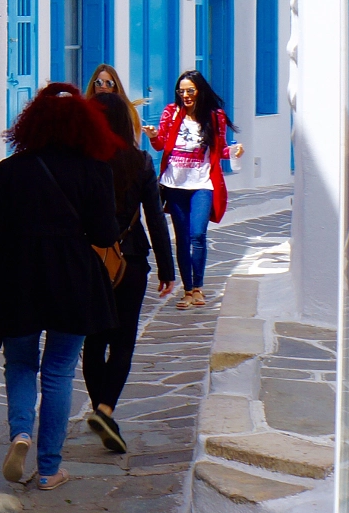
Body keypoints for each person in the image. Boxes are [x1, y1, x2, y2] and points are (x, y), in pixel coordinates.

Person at [0, 83, 122, 490]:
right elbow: (105, 231)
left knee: (20, 363)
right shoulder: (95, 170)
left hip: (16, 277)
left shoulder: (7, 172)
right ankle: (49, 467)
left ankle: (20, 432)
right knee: (58, 371)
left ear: (30, 124)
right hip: (72, 278)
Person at [80, 91, 176, 454]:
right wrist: (168, 269)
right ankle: (106, 409)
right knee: (123, 340)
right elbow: (154, 217)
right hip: (131, 259)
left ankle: (98, 408)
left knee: (93, 340)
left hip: (90, 261)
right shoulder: (140, 161)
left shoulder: (82, 160)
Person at [147, 71, 243, 307]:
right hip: (175, 183)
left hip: (202, 182)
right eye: (182, 91)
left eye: (190, 90)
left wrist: (233, 152)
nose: (186, 95)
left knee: (197, 234)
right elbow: (161, 145)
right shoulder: (172, 112)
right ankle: (187, 290)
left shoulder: (215, 116)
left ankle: (198, 287)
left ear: (199, 90)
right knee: (181, 238)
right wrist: (153, 136)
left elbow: (218, 150)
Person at [86, 63, 144, 142]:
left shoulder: (129, 112)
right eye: (99, 82)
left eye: (108, 83)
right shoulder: (85, 110)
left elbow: (134, 142)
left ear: (115, 87)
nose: (103, 86)